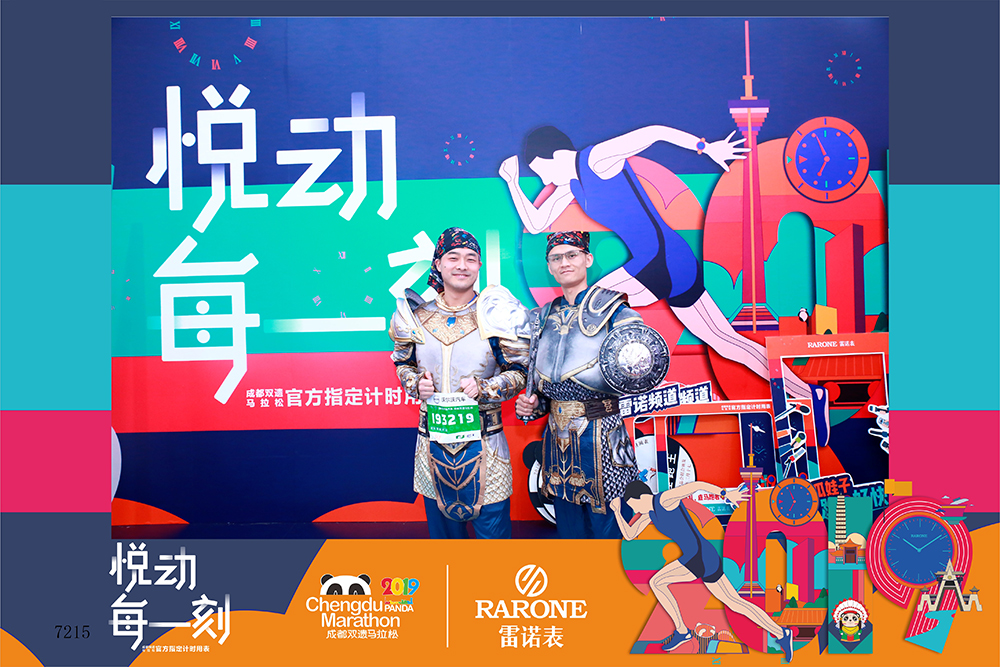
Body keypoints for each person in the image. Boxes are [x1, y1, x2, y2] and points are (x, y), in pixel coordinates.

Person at [499, 125, 813, 399]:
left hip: (659, 258)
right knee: (725, 342)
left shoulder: (597, 160)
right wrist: (512, 183)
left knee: (590, 302)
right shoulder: (572, 185)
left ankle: (617, 379)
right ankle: (809, 394)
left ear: (554, 155)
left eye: (541, 170)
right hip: (672, 260)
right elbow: (537, 224)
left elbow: (654, 132)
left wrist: (706, 148)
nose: (543, 178)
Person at [388, 227, 528, 538]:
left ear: (479, 265)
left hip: (487, 446)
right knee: (446, 550)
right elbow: (402, 363)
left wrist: (486, 387)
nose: (462, 265)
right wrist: (415, 383)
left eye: (470, 258)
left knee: (494, 551)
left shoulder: (498, 315)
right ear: (438, 263)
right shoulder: (415, 316)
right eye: (453, 257)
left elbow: (520, 371)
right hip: (431, 447)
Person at [514, 231, 642, 538]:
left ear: (588, 259)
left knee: (612, 530)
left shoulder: (616, 312)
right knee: (570, 533)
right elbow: (541, 385)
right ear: (549, 266)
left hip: (604, 434)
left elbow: (640, 369)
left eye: (572, 255)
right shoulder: (540, 319)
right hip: (558, 438)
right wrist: (532, 405)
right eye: (556, 258)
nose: (564, 263)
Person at [611, 480, 794, 661]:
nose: (635, 510)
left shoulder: (665, 499)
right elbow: (629, 535)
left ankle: (682, 631)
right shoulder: (650, 514)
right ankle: (782, 633)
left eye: (633, 505)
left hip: (697, 556)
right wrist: (617, 512)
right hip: (703, 556)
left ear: (641, 497)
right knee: (735, 603)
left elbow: (696, 486)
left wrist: (726, 495)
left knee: (656, 582)